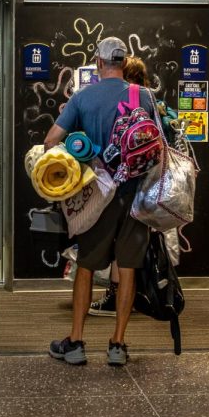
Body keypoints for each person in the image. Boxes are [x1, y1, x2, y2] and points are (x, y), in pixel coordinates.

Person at [44, 37, 153, 366]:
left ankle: (76, 343)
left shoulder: (83, 97)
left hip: (99, 196)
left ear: (98, 62)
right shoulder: (144, 96)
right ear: (123, 62)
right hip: (135, 197)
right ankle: (117, 345)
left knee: (87, 267)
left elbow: (50, 142)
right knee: (129, 268)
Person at [89, 56, 148, 317]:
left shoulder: (101, 101)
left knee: (110, 253)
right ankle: (120, 330)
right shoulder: (147, 101)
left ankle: (115, 297)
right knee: (129, 257)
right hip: (141, 191)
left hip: (109, 189)